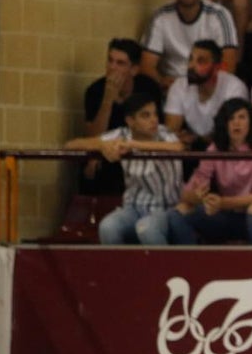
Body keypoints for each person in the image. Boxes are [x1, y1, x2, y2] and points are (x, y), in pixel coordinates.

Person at [167, 98, 252, 245]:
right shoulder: (215, 148)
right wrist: (199, 197)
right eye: (231, 118)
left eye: (241, 117)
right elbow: (188, 192)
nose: (236, 123)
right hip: (224, 214)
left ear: (250, 122)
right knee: (179, 213)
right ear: (224, 124)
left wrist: (224, 203)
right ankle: (194, 262)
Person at [64, 92, 183, 245]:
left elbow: (177, 147)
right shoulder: (121, 134)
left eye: (155, 114)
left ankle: (163, 269)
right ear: (130, 121)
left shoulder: (163, 132)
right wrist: (102, 146)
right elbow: (70, 145)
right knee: (108, 227)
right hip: (133, 208)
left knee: (147, 228)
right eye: (145, 116)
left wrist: (132, 145)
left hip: (166, 209)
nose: (154, 120)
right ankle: (118, 269)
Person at [81, 39, 164, 195]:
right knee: (92, 166)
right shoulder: (95, 90)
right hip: (108, 151)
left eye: (120, 63)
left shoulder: (148, 88)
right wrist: (107, 99)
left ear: (133, 69)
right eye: (110, 61)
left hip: (139, 148)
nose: (112, 67)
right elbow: (92, 136)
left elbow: (155, 130)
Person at [140, 0, 239, 89]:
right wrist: (162, 81)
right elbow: (147, 65)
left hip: (208, 86)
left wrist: (202, 87)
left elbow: (228, 65)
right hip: (171, 87)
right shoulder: (160, 17)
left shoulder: (220, 15)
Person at [164, 40, 250, 148]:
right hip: (190, 150)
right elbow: (171, 132)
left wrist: (197, 140)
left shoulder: (234, 88)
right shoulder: (179, 86)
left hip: (225, 150)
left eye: (200, 61)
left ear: (217, 68)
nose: (191, 66)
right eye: (191, 59)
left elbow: (230, 133)